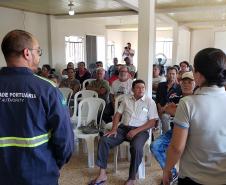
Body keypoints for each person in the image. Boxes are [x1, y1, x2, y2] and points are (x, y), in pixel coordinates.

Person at [0, 30, 74, 185]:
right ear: (27, 53)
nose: (39, 56)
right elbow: (64, 138)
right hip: (39, 173)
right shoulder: (47, 89)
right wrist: (57, 164)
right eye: (38, 51)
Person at [163, 48, 226, 185]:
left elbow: (177, 147)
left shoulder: (188, 103)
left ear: (198, 75)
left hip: (193, 177)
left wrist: (167, 169)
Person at [89, 79, 159, 185]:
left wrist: (135, 131)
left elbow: (152, 122)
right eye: (138, 87)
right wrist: (113, 129)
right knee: (104, 140)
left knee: (136, 147)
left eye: (143, 88)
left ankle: (131, 178)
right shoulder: (126, 99)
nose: (141, 90)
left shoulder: (150, 102)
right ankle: (102, 174)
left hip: (140, 131)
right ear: (132, 89)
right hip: (123, 128)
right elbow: (117, 114)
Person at [150, 71, 195, 185]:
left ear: (195, 83)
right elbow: (167, 109)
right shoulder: (175, 95)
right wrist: (175, 110)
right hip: (176, 131)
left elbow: (173, 110)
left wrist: (176, 109)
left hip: (194, 134)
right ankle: (172, 172)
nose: (186, 84)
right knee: (155, 146)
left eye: (189, 82)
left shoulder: (198, 98)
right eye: (183, 82)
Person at [156, 66, 182, 134]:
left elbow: (177, 102)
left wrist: (164, 109)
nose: (171, 75)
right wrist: (160, 109)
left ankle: (165, 135)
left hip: (171, 111)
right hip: (159, 108)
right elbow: (157, 98)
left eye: (173, 74)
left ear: (176, 75)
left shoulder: (179, 88)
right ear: (166, 74)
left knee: (164, 117)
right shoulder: (161, 85)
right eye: (169, 73)